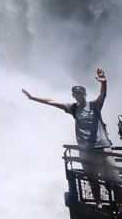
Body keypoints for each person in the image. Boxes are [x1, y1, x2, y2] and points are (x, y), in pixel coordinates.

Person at [22, 69, 122, 209]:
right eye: (77, 94)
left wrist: (104, 83)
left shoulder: (94, 106)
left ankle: (120, 207)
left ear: (85, 95)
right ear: (74, 96)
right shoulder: (73, 108)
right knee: (93, 180)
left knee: (115, 179)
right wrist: (33, 98)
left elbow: (103, 95)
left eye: (81, 93)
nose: (79, 96)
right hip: (87, 150)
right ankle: (99, 205)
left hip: (103, 147)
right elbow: (51, 102)